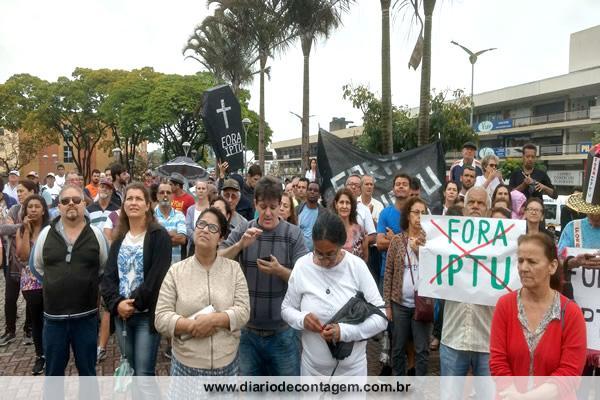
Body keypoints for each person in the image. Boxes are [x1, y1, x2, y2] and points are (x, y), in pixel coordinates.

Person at [219, 176, 308, 376]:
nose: (268, 213)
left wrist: (279, 270)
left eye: (273, 207)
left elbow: (305, 279)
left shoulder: (293, 234)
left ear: (281, 204)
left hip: (283, 332)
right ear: (255, 203)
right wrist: (240, 245)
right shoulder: (244, 229)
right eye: (262, 206)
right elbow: (218, 258)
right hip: (247, 332)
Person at [281, 212, 387, 376]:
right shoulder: (302, 266)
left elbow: (381, 317)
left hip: (352, 374)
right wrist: (302, 319)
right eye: (318, 253)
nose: (324, 260)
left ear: (342, 244)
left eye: (330, 254)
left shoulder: (357, 266)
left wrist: (344, 332)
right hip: (312, 373)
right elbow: (286, 309)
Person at [155, 207, 250, 380]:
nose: (205, 230)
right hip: (186, 366)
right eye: (201, 224)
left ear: (221, 238)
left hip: (225, 364)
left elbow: (243, 312)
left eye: (213, 228)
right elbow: (161, 317)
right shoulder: (176, 271)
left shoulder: (234, 269)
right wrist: (191, 326)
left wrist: (214, 320)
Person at [490, 233, 586, 398]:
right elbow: (498, 361)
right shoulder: (505, 305)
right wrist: (511, 393)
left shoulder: (571, 313)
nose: (523, 268)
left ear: (552, 266)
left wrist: (526, 398)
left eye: (532, 262)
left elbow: (570, 372)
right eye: (520, 261)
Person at [30, 184, 109, 376]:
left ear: (84, 204)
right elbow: (37, 267)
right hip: (54, 319)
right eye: (65, 201)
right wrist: (55, 282)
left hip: (86, 318)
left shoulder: (96, 235)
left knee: (88, 372)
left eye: (76, 200)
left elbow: (103, 268)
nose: (71, 204)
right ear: (59, 206)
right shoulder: (46, 234)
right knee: (53, 374)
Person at [101, 183, 172, 381]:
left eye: (139, 199)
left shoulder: (159, 236)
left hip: (145, 316)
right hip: (121, 316)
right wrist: (117, 304)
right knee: (131, 372)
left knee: (144, 374)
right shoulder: (119, 239)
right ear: (123, 205)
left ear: (148, 205)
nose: (133, 202)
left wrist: (132, 304)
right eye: (129, 199)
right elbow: (108, 277)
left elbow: (156, 279)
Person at [440, 186, 494, 398]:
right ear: (463, 209)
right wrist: (424, 249)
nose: (475, 207)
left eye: (481, 203)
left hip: (488, 340)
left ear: (489, 211)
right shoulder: (445, 241)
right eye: (471, 202)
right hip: (453, 336)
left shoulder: (503, 245)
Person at [384, 197, 431, 376]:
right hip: (399, 304)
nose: (419, 217)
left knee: (422, 350)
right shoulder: (397, 240)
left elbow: (435, 270)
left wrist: (418, 251)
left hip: (423, 303)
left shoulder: (431, 241)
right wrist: (387, 305)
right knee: (397, 348)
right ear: (408, 215)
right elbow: (388, 272)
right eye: (416, 212)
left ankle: (420, 387)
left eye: (423, 213)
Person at [0, 179, 38, 347]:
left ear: (32, 192)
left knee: (30, 299)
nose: (19, 194)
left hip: (29, 264)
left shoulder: (36, 210)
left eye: (22, 191)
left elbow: (35, 230)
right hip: (13, 262)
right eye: (18, 191)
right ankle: (10, 331)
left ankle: (28, 330)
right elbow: (3, 229)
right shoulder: (15, 209)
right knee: (9, 299)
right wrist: (23, 226)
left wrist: (14, 226)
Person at [15, 194, 50, 375]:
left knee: (51, 319)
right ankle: (40, 355)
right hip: (30, 282)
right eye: (30, 207)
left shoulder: (51, 230)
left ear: (43, 210)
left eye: (37, 206)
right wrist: (27, 231)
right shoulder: (21, 230)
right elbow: (23, 256)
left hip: (51, 280)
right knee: (36, 320)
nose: (33, 210)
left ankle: (53, 351)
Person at [377, 174, 411, 287]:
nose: (401, 186)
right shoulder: (385, 213)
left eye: (404, 184)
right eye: (398, 184)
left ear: (410, 189)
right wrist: (406, 241)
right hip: (388, 272)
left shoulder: (416, 213)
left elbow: (419, 243)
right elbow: (380, 244)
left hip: (412, 272)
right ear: (393, 189)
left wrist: (393, 238)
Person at [332, 188, 368, 263]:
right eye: (341, 202)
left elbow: (365, 258)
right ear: (336, 204)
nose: (344, 206)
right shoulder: (328, 230)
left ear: (351, 206)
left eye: (347, 203)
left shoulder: (360, 231)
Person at [155, 182, 187, 263]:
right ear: (157, 196)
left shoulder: (180, 215)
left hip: (175, 266)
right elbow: (150, 241)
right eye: (162, 192)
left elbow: (182, 239)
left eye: (168, 193)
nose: (165, 195)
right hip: (156, 265)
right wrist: (172, 234)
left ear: (172, 196)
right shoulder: (151, 216)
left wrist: (159, 235)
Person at [296, 181, 326, 251]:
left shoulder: (324, 213)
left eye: (315, 190)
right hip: (299, 251)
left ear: (319, 195)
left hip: (316, 253)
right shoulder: (297, 210)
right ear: (306, 192)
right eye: (310, 189)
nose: (312, 192)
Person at [185, 180, 210, 255]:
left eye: (203, 188)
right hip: (193, 247)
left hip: (208, 245)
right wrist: (197, 239)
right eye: (199, 188)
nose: (201, 191)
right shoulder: (190, 209)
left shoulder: (212, 208)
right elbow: (188, 227)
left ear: (207, 191)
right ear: (195, 191)